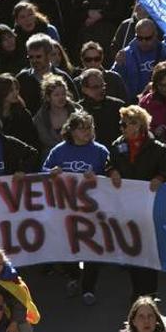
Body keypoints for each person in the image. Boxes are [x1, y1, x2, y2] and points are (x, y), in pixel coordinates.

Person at [43, 112, 109, 304]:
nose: (87, 132)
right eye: (82, 128)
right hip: (66, 209)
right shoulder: (59, 151)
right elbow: (44, 171)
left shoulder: (100, 151)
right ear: (71, 131)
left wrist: (97, 176)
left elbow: (112, 174)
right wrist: (51, 173)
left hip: (92, 210)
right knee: (67, 245)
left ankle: (89, 288)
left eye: (90, 127)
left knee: (92, 248)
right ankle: (73, 276)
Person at [108, 107, 166, 302]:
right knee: (133, 249)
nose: (123, 127)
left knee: (150, 248)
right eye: (122, 123)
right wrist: (112, 171)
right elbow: (109, 164)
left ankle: (151, 292)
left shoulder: (158, 148)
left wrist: (160, 177)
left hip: (149, 206)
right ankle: (137, 292)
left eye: (128, 123)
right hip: (127, 206)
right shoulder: (117, 146)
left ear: (139, 125)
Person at [112, 19, 166, 102]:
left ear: (155, 35)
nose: (144, 42)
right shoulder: (125, 54)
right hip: (134, 103)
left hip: (162, 102)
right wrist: (119, 65)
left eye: (148, 38)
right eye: (140, 38)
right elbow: (114, 80)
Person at [16, 34, 77, 114]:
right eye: (31, 57)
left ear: (48, 55)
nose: (34, 61)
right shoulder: (22, 79)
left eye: (38, 57)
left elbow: (75, 105)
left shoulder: (63, 77)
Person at [0, 74, 40, 149]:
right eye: (11, 90)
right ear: (0, 91)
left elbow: (33, 141)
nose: (16, 92)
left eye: (16, 89)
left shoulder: (23, 114)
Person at [77, 68, 126, 150]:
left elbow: (125, 135)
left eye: (102, 85)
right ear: (84, 89)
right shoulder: (78, 109)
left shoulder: (118, 106)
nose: (101, 90)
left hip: (115, 153)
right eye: (95, 87)